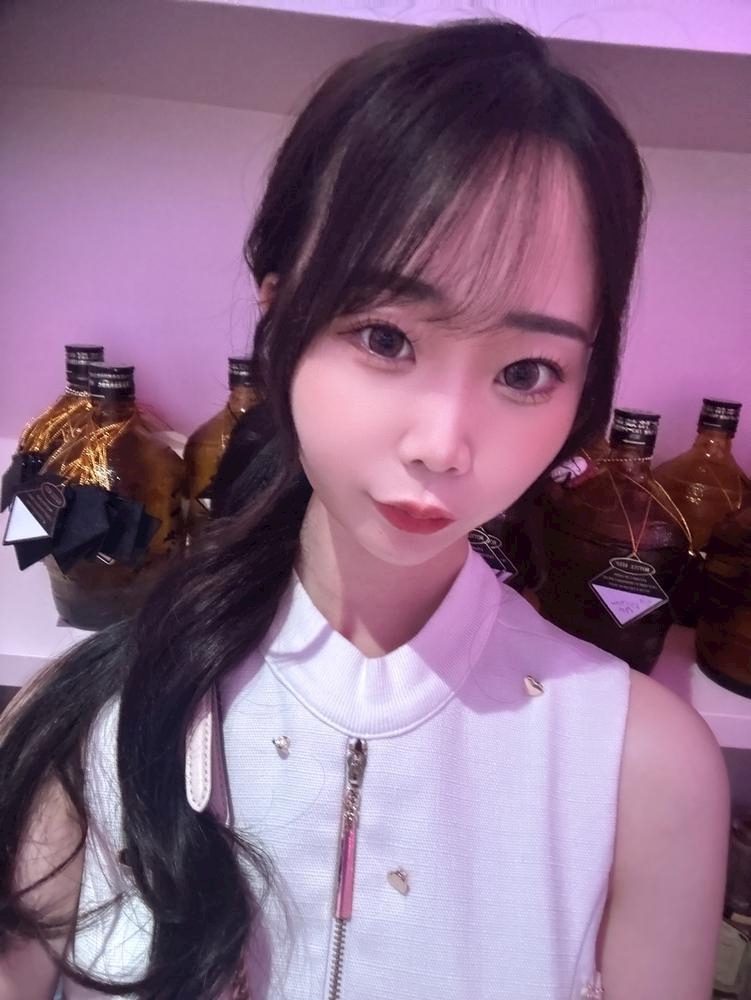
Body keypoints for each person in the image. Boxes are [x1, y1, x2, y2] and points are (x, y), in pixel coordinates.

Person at [0, 19, 730, 1000]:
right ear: (278, 319)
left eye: (525, 370)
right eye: (385, 338)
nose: (444, 443)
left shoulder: (646, 772)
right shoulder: (84, 720)